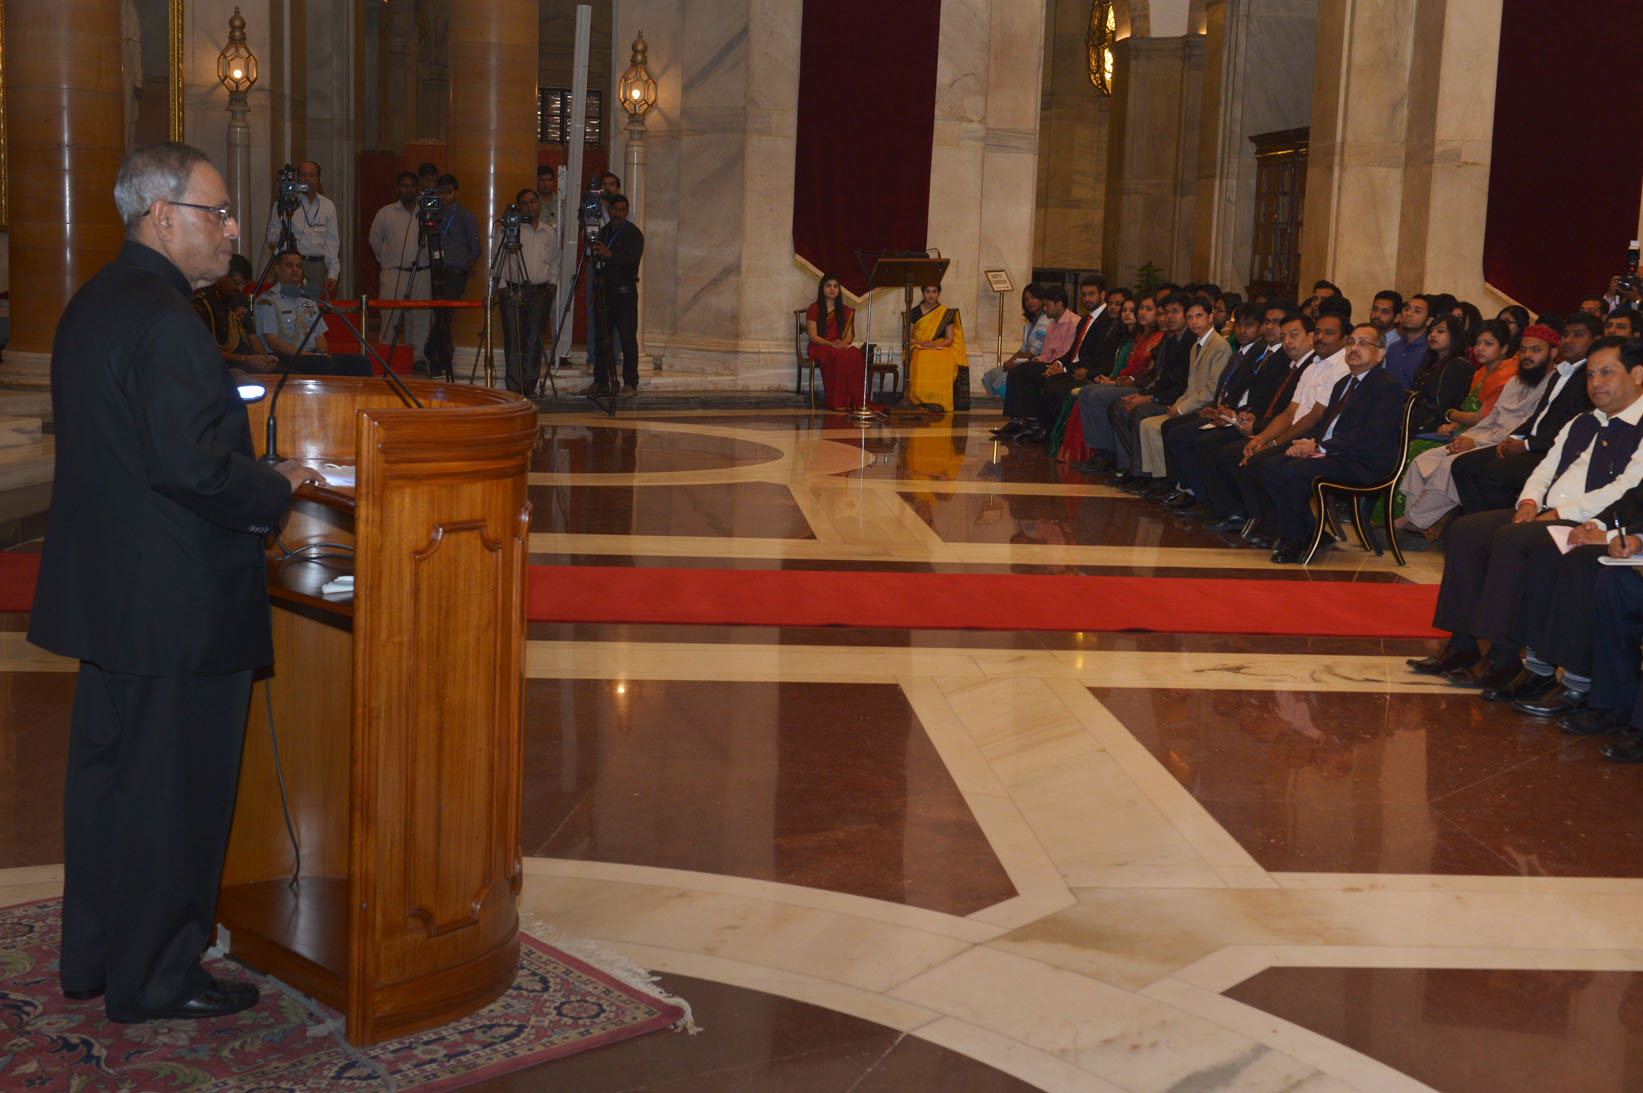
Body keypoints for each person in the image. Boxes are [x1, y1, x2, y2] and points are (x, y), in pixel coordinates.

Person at [29, 142, 321, 1023]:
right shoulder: (165, 321)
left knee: (112, 786)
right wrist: (277, 489)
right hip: (180, 608)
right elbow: (193, 469)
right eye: (216, 212)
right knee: (174, 797)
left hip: (112, 600)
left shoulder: (92, 304)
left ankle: (95, 954)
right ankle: (157, 974)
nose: (231, 230)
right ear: (163, 215)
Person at [1410, 337, 1643, 687]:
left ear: (1637, 374)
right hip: (1546, 512)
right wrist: (1530, 503)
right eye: (1591, 374)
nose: (1596, 383)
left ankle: (1503, 656)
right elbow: (1545, 469)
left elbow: (1626, 489)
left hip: (1591, 521)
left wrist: (1558, 512)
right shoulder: (1583, 421)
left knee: (1513, 539)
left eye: (1606, 373)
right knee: (1467, 530)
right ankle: (1462, 645)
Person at [1257, 324, 1406, 563]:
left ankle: (1294, 540)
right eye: (1351, 343)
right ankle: (1312, 531)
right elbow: (1328, 427)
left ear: (1380, 353)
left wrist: (1320, 448)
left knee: (1294, 472)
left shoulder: (1387, 387)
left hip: (1363, 462)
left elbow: (1371, 436)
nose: (1354, 348)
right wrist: (1309, 443)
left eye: (1362, 343)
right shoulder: (1344, 382)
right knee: (1269, 466)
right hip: (1334, 454)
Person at [1394, 323, 1558, 537]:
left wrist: (1475, 443)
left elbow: (1523, 428)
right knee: (1423, 460)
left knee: (1450, 465)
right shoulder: (1516, 381)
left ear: (1553, 352)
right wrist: (1465, 437)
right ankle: (1415, 531)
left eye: (1535, 350)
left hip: (1506, 444)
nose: (1527, 355)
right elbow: (1492, 418)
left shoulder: (1553, 386)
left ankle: (1411, 521)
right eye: (1524, 350)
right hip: (1483, 435)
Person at [251, 249, 371, 376]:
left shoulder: (308, 298)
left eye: (299, 266)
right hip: (284, 357)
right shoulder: (267, 300)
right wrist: (309, 356)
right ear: (278, 269)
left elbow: (319, 335)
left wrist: (323, 353)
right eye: (289, 265)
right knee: (323, 364)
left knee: (361, 363)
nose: (295, 269)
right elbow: (273, 342)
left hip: (311, 356)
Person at [368, 170, 431, 371]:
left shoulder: (426, 211)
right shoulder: (386, 213)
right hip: (394, 272)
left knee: (420, 319)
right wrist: (387, 261)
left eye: (412, 186)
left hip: (422, 273)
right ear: (398, 189)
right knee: (390, 317)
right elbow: (375, 240)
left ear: (417, 188)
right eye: (404, 186)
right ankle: (388, 356)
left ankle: (417, 358)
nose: (408, 190)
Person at [500, 187, 558, 395]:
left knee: (535, 341)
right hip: (513, 291)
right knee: (514, 341)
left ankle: (529, 386)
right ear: (518, 207)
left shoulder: (549, 232)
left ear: (539, 205)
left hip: (540, 293)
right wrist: (503, 289)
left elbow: (554, 261)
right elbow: (498, 259)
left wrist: (553, 284)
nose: (529, 206)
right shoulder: (510, 230)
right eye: (524, 203)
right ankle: (515, 387)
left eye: (533, 201)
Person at [425, 173, 481, 381]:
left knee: (445, 315)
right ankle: (441, 356)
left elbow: (475, 248)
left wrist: (465, 263)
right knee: (440, 315)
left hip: (456, 272)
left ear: (456, 192)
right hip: (435, 269)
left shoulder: (466, 216)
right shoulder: (433, 213)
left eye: (448, 192)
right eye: (441, 192)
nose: (444, 196)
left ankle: (433, 351)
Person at [589, 192, 644, 396]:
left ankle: (630, 382)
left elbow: (632, 263)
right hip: (605, 292)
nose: (618, 213)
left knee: (627, 338)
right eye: (614, 209)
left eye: (622, 210)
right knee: (602, 337)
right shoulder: (602, 233)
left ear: (627, 212)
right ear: (609, 210)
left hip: (625, 294)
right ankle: (600, 381)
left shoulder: (634, 234)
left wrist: (609, 254)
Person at [262, 160, 339, 296]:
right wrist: (280, 234)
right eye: (303, 175)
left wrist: (333, 272)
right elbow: (270, 236)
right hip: (289, 264)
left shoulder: (328, 206)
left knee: (311, 310)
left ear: (319, 179)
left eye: (311, 175)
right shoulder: (285, 201)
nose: (307, 179)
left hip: (316, 266)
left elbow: (332, 243)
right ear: (296, 179)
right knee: (285, 305)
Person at [191, 253, 277, 372]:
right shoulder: (202, 303)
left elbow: (252, 337)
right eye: (237, 283)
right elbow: (204, 350)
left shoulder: (239, 298)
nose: (240, 289)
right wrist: (245, 359)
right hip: (220, 367)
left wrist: (265, 359)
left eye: (244, 285)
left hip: (247, 363)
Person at [806, 272, 867, 410]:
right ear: (822, 289)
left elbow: (849, 336)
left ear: (839, 290)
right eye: (828, 286)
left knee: (855, 354)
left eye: (835, 286)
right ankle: (838, 402)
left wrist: (844, 344)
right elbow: (813, 336)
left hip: (839, 346)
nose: (832, 289)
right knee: (838, 356)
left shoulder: (845, 310)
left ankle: (855, 402)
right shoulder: (814, 308)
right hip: (820, 346)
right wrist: (832, 344)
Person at [905, 284, 966, 411]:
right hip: (918, 346)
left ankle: (939, 401)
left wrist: (935, 344)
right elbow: (907, 338)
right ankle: (921, 399)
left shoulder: (946, 313)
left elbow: (949, 339)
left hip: (939, 346)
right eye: (927, 291)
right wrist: (921, 342)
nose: (931, 295)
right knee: (922, 357)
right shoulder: (914, 312)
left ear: (939, 293)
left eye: (934, 291)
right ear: (923, 293)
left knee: (944, 359)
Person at [981, 283, 1049, 398]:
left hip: (1036, 363)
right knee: (991, 374)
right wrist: (1009, 362)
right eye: (1026, 299)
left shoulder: (1045, 319)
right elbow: (1022, 349)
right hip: (1025, 361)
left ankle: (1019, 406)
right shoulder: (1029, 323)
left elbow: (1033, 352)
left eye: (1033, 297)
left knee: (1002, 379)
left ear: (1042, 299)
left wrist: (1013, 364)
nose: (1029, 302)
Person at [1382, 293, 1431, 387]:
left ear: (1429, 320)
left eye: (1417, 311)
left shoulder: (1429, 350)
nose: (1408, 313)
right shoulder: (1394, 348)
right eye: (1407, 309)